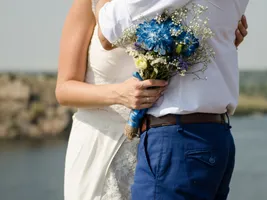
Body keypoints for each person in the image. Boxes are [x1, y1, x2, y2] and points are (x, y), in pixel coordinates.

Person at [56, 0, 248, 199]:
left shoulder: (155, 6)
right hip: (102, 147)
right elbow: (64, 89)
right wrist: (119, 94)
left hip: (156, 145)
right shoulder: (90, 4)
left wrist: (220, 35)